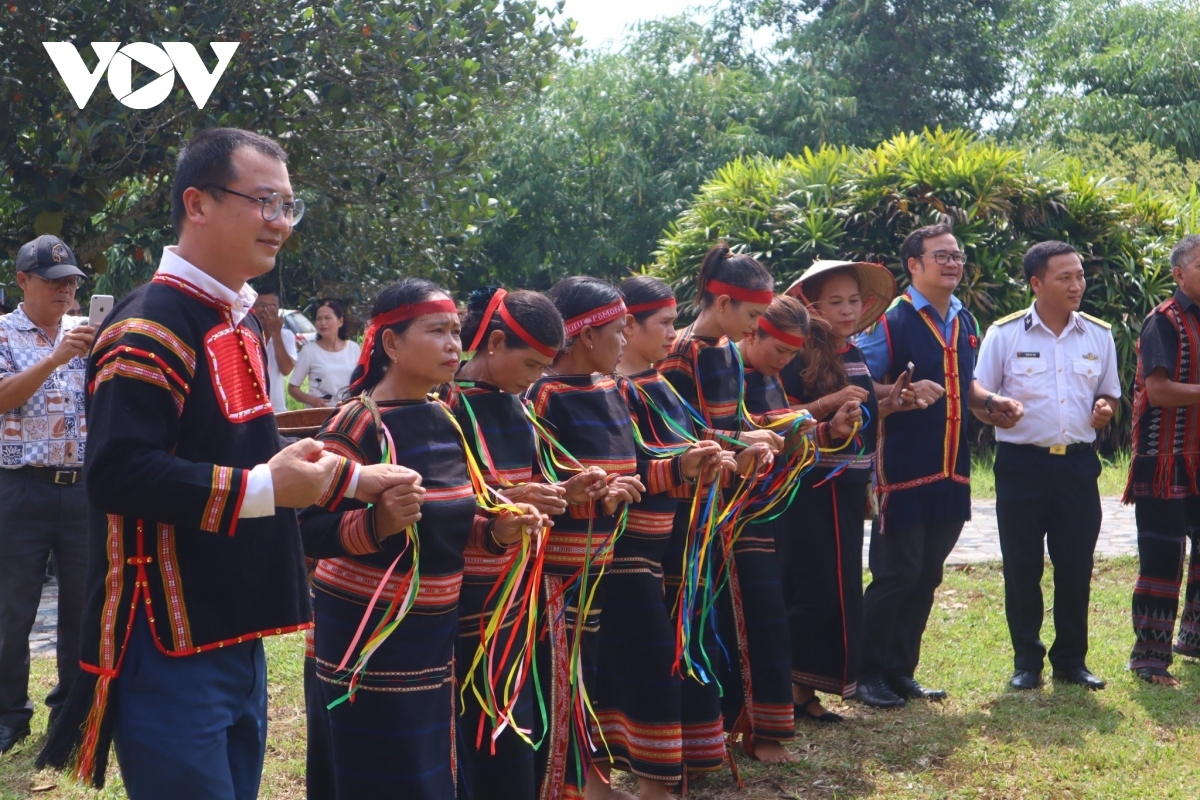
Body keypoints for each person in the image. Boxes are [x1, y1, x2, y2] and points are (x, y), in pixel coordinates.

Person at [37, 127, 414, 796]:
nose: (280, 223)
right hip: (168, 635)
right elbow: (119, 473)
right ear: (198, 203)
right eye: (264, 201)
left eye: (289, 206)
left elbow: (235, 449)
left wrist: (353, 479)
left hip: (232, 627)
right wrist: (270, 487)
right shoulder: (150, 326)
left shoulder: (231, 318)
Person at [301, 278, 546, 799]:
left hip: (434, 636)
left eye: (457, 331)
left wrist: (499, 528)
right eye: (437, 331)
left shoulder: (447, 418)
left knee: (428, 770)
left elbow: (459, 521)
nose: (454, 345)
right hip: (365, 640)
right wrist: (376, 525)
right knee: (379, 773)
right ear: (390, 344)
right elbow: (306, 529)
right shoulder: (356, 423)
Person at [856, 223, 1023, 708]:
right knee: (896, 575)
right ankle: (865, 675)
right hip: (903, 472)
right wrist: (898, 394)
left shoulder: (964, 321)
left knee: (928, 575)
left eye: (957, 256)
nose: (953, 263)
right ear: (914, 265)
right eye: (941, 256)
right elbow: (858, 381)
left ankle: (900, 671)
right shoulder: (893, 321)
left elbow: (963, 384)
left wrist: (993, 402)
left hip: (952, 469)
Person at [449, 286, 603, 800]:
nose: (537, 377)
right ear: (493, 342)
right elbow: (444, 499)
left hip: (524, 596)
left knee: (522, 718)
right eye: (532, 363)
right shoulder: (446, 409)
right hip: (469, 600)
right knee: (480, 722)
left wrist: (567, 491)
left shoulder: (518, 408)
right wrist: (508, 502)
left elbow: (529, 485)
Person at [597, 275, 730, 800]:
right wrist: (683, 467)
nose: (675, 335)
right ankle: (634, 781)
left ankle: (674, 772)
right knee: (638, 665)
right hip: (632, 550)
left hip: (678, 544)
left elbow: (697, 438)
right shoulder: (615, 389)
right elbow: (634, 463)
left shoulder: (657, 380)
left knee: (678, 655)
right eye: (666, 324)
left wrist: (726, 451)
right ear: (627, 325)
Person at [656, 243, 785, 765]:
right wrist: (741, 445)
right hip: (690, 509)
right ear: (724, 302)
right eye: (753, 315)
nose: (756, 327)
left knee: (739, 616)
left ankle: (736, 729)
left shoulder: (729, 350)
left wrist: (767, 434)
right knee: (694, 618)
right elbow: (676, 434)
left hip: (728, 504)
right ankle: (686, 744)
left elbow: (734, 421)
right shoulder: (678, 353)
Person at [975, 241, 1118, 691]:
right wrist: (996, 406)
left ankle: (1071, 661)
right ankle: (1026, 662)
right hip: (1021, 466)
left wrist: (1105, 409)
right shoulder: (1005, 333)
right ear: (1037, 283)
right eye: (1065, 277)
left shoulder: (1098, 334)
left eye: (1079, 275)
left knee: (1076, 565)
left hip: (1077, 467)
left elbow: (1110, 392)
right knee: (1022, 566)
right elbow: (978, 395)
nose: (1077, 285)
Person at [525, 277, 647, 800]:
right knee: (561, 678)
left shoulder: (613, 389)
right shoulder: (544, 396)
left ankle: (588, 782)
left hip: (602, 560)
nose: (626, 340)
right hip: (556, 568)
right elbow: (539, 478)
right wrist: (589, 493)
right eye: (618, 331)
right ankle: (565, 786)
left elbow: (638, 459)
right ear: (587, 337)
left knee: (590, 675)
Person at [727, 294, 858, 760]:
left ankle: (767, 730)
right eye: (779, 352)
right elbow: (710, 432)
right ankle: (738, 733)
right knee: (746, 620)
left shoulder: (768, 377)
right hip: (727, 516)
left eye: (790, 355)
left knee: (770, 618)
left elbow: (785, 439)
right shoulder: (721, 370)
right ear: (750, 332)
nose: (784, 362)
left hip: (770, 511)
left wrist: (829, 431)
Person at [779, 260, 904, 720]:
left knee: (838, 586)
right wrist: (827, 417)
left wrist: (891, 402)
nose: (848, 310)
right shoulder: (793, 358)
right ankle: (791, 693)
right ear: (811, 305)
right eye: (836, 302)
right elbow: (781, 419)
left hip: (848, 485)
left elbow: (862, 411)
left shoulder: (853, 351)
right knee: (813, 587)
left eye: (854, 300)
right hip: (811, 485)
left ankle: (806, 692)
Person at [0, 234, 93, 755]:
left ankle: (71, 712)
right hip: (21, 488)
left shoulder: (84, 333)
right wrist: (55, 359)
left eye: (72, 282)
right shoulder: (4, 334)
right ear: (22, 281)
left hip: (80, 490)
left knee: (82, 606)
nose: (65, 291)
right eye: (54, 282)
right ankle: (9, 713)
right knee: (14, 610)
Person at [1124, 233, 1200, 686]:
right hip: (1165, 460)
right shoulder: (1163, 321)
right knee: (1162, 558)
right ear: (1178, 274)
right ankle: (1149, 658)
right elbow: (1158, 391)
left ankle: (1192, 640)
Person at [289, 298, 361, 407]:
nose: (322, 323)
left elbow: (361, 382)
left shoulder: (353, 348)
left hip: (347, 414)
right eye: (319, 319)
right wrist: (313, 400)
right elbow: (292, 388)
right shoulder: (309, 351)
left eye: (327, 318)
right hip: (319, 416)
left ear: (340, 321)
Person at [252, 285, 297, 412]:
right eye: (262, 305)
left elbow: (286, 369)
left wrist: (276, 333)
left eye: (273, 306)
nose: (267, 310)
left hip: (276, 408)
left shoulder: (286, 335)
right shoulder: (245, 333)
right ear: (252, 308)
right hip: (251, 408)